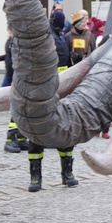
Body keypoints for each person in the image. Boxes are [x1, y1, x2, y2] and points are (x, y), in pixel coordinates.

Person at [27, 10, 79, 192]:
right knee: (37, 131)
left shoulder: (59, 34)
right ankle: (35, 177)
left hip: (62, 90)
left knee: (65, 128)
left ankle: (67, 173)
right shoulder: (44, 37)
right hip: (42, 90)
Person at [0, 29, 29, 153]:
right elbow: (10, 61)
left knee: (24, 109)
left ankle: (20, 136)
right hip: (15, 79)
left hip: (21, 79)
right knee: (17, 108)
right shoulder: (12, 42)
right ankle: (11, 137)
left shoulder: (18, 41)